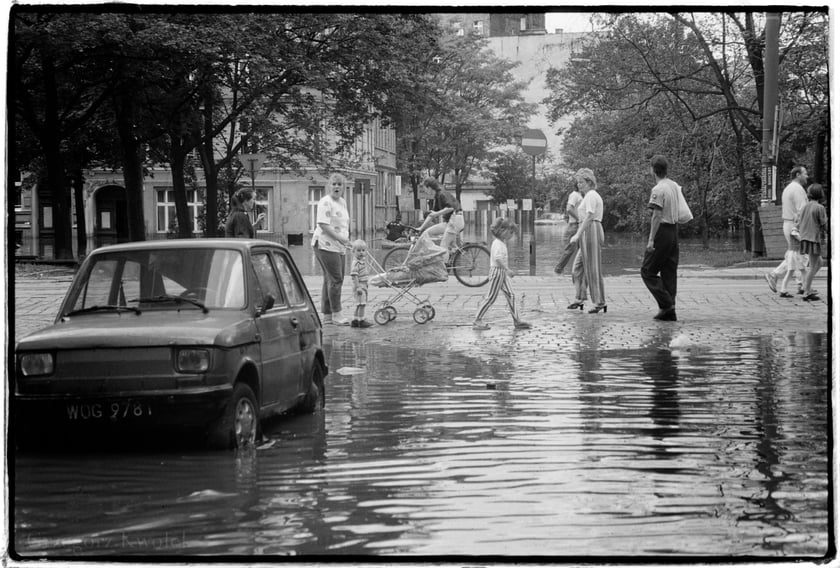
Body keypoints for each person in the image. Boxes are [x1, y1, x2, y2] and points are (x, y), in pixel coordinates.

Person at [641, 155, 682, 321]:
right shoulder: (673, 185)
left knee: (647, 271)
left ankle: (666, 304)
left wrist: (651, 239)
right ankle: (669, 311)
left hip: (663, 231)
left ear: (653, 170)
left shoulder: (658, 190)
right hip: (674, 230)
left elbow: (657, 215)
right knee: (669, 271)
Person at [472, 217, 532, 331]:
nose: (512, 235)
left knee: (511, 295)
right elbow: (498, 259)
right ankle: (477, 319)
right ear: (502, 231)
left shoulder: (501, 243)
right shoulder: (498, 244)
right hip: (497, 271)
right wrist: (507, 269)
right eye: (510, 232)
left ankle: (517, 320)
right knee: (491, 297)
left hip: (501, 272)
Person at [312, 172, 352, 325]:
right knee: (336, 279)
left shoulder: (342, 202)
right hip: (325, 244)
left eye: (339, 184)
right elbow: (323, 224)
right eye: (334, 184)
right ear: (329, 186)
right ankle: (337, 313)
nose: (336, 186)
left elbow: (343, 223)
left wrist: (345, 240)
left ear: (343, 187)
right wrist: (340, 238)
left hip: (339, 245)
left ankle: (327, 315)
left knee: (329, 279)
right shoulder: (325, 202)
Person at [568, 168, 606, 314]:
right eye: (578, 182)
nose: (579, 185)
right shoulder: (587, 196)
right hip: (588, 231)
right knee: (578, 268)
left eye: (581, 182)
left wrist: (578, 234)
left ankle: (599, 301)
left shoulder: (591, 195)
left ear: (589, 182)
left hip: (592, 229)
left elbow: (589, 216)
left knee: (593, 268)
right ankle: (580, 297)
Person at [765, 166, 809, 295]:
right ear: (798, 175)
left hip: (789, 224)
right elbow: (803, 210)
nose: (807, 176)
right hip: (795, 225)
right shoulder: (797, 189)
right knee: (799, 255)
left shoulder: (789, 188)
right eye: (805, 174)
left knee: (797, 254)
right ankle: (776, 275)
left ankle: (800, 283)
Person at [416, 177, 464, 259]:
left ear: (430, 188)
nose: (425, 191)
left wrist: (437, 213)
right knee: (426, 233)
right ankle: (451, 252)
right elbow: (432, 215)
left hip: (455, 220)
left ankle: (443, 269)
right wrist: (421, 228)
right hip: (449, 222)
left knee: (443, 245)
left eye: (425, 189)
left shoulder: (442, 194)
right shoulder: (437, 197)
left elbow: (450, 208)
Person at [795, 183, 828, 302]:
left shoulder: (805, 207)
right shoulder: (820, 208)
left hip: (805, 238)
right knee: (813, 265)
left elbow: (799, 222)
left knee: (819, 262)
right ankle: (807, 292)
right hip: (813, 239)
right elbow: (824, 224)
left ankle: (806, 286)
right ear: (820, 194)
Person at [554, 185, 583, 274]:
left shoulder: (581, 195)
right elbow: (569, 209)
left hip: (579, 225)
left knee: (582, 249)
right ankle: (558, 269)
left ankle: (581, 270)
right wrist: (579, 219)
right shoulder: (574, 195)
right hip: (574, 225)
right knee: (570, 249)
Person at [349, 239, 373, 328]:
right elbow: (354, 276)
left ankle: (355, 320)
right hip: (360, 286)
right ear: (353, 252)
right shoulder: (356, 263)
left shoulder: (362, 261)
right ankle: (361, 321)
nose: (361, 253)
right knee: (362, 304)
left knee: (359, 304)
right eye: (358, 251)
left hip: (363, 285)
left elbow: (364, 271)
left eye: (363, 250)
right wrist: (358, 287)